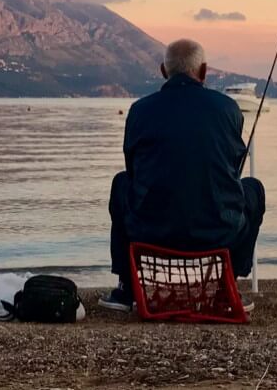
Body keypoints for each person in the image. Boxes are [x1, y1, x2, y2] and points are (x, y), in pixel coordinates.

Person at [99, 38, 265, 311]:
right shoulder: (228, 109)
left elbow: (133, 168)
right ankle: (229, 286)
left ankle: (126, 288)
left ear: (164, 71)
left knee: (121, 183)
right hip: (217, 232)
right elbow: (233, 170)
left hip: (150, 232)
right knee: (253, 189)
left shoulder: (140, 110)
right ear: (203, 71)